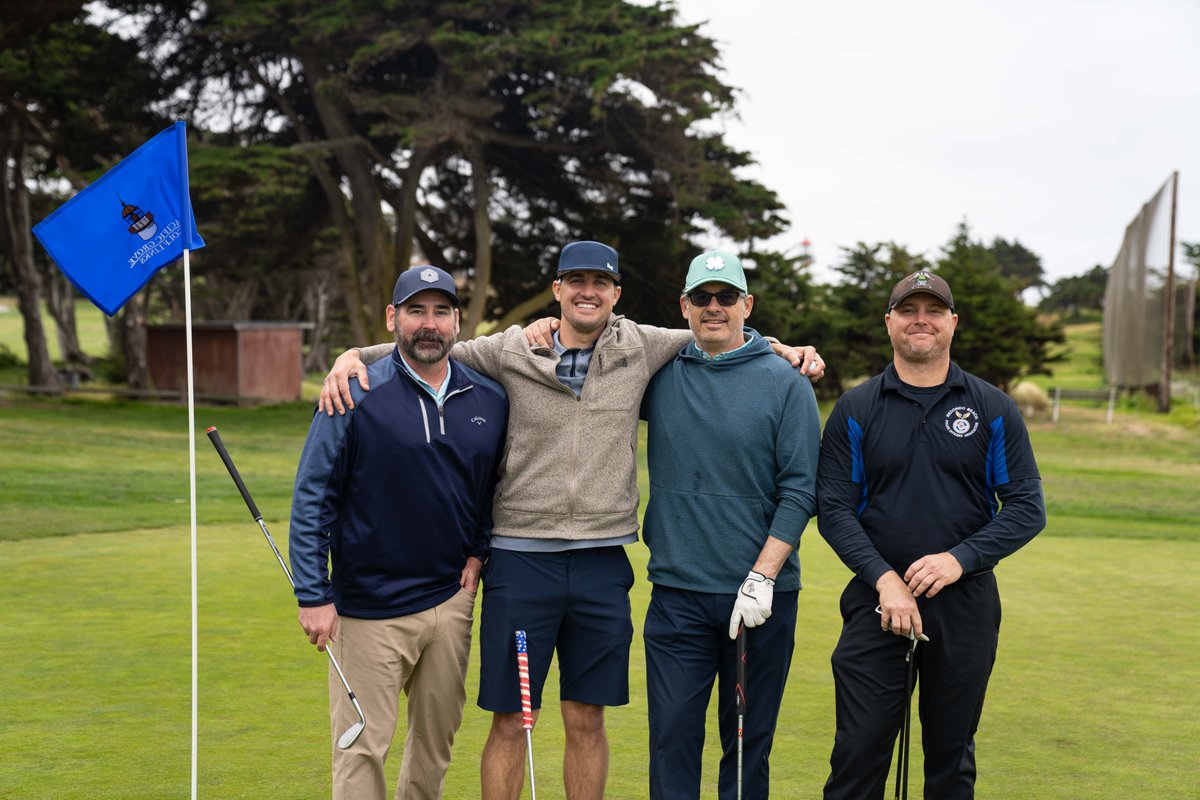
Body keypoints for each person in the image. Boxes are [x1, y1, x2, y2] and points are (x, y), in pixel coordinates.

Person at [319, 241, 826, 800]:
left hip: (601, 564)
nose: (588, 291)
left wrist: (784, 347)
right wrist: (354, 356)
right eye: (575, 281)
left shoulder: (644, 344)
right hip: (520, 560)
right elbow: (430, 347)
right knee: (512, 722)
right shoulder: (512, 347)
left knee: (587, 716)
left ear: (616, 294)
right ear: (558, 289)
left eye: (600, 282)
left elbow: (723, 338)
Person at [816, 270, 1046, 799]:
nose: (922, 321)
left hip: (964, 606)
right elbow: (833, 509)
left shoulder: (992, 408)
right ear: (890, 322)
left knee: (950, 759)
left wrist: (959, 560)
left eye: (934, 311)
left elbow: (1027, 507)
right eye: (909, 310)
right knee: (857, 752)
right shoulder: (856, 408)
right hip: (878, 605)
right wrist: (885, 580)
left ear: (952, 322)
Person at [289, 265, 508, 800]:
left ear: (458, 321)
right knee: (363, 748)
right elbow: (313, 496)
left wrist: (478, 555)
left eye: (440, 311)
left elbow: (488, 493)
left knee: (435, 747)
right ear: (393, 318)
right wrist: (313, 595)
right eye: (415, 311)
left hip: (450, 602)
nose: (428, 324)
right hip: (368, 608)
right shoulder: (353, 392)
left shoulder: (489, 398)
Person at [639, 251, 821, 799]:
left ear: (748, 304)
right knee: (671, 741)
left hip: (761, 599)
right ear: (684, 307)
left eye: (725, 297)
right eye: (702, 297)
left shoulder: (786, 381)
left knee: (746, 748)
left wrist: (763, 576)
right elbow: (586, 346)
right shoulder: (658, 373)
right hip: (676, 595)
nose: (713, 308)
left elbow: (801, 488)